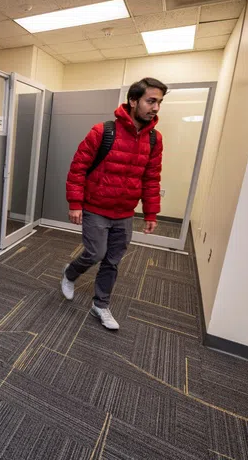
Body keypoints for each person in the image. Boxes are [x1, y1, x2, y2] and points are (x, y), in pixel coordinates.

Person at [60, 78, 165, 330]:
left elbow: (151, 177)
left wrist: (150, 212)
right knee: (95, 253)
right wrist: (75, 202)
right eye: (151, 101)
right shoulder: (103, 131)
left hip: (125, 212)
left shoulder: (154, 139)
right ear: (133, 101)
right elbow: (78, 168)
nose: (156, 108)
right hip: (96, 207)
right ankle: (70, 273)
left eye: (159, 102)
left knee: (113, 260)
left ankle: (101, 305)